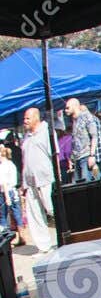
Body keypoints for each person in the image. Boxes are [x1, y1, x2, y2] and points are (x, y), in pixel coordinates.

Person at [20, 107, 56, 253]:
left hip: (45, 178)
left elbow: (55, 155)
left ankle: (64, 238)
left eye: (27, 118)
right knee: (34, 214)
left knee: (52, 209)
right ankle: (44, 246)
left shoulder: (47, 132)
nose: (25, 121)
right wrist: (23, 183)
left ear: (36, 117)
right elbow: (24, 161)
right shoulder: (26, 137)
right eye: (24, 118)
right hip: (30, 182)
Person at [65, 97, 95, 182]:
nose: (65, 110)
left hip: (86, 156)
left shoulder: (86, 117)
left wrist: (92, 155)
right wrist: (71, 158)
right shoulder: (74, 121)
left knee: (86, 183)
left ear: (75, 106)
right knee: (77, 185)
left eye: (68, 108)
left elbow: (94, 136)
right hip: (76, 158)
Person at [0, 144, 24, 246]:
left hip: (5, 192)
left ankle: (6, 241)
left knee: (3, 216)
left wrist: (6, 196)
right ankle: (22, 237)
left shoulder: (2, 166)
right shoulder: (11, 164)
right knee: (17, 214)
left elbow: (3, 183)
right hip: (13, 190)